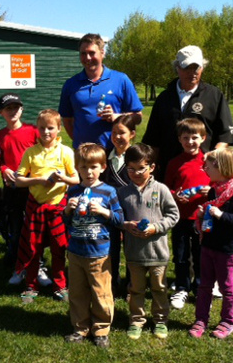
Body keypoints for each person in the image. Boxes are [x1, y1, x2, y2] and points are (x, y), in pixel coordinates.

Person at [188, 147, 233, 340]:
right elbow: (210, 214)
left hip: (226, 248)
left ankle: (228, 321)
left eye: (208, 165)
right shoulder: (214, 188)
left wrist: (222, 215)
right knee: (204, 285)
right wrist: (203, 215)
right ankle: (201, 319)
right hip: (208, 244)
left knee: (226, 287)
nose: (204, 168)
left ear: (221, 167)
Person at [142, 45, 233, 181]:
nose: (192, 72)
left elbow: (225, 135)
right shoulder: (164, 98)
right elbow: (153, 139)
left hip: (204, 172)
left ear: (202, 68)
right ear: (177, 68)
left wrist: (215, 154)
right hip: (168, 171)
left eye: (196, 68)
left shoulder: (214, 95)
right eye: (187, 67)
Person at [14, 109, 79, 304]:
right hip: (35, 208)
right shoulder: (31, 152)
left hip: (58, 208)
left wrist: (62, 179)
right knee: (33, 248)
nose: (46, 132)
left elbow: (76, 179)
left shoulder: (66, 152)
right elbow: (18, 180)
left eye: (50, 128)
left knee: (59, 249)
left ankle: (60, 286)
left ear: (59, 129)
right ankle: (31, 286)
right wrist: (39, 180)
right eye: (42, 128)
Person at [63, 143, 124, 349]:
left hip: (99, 252)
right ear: (77, 169)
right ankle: (80, 327)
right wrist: (68, 211)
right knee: (77, 292)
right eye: (83, 167)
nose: (88, 172)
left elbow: (119, 219)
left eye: (93, 167)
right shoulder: (73, 191)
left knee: (101, 293)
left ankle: (101, 328)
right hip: (76, 251)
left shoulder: (108, 192)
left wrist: (104, 212)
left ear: (103, 167)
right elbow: (67, 223)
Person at [118, 144, 179, 340]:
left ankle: (160, 321)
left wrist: (156, 227)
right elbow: (116, 218)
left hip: (157, 253)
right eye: (130, 169)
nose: (135, 173)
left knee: (159, 288)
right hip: (134, 254)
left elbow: (173, 215)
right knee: (135, 289)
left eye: (141, 168)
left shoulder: (161, 190)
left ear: (152, 167)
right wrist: (126, 225)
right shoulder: (122, 193)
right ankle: (136, 320)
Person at [0, 93, 52, 287]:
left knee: (37, 228)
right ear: (1, 112)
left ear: (21, 110)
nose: (12, 112)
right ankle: (20, 267)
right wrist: (4, 169)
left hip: (34, 187)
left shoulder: (32, 130)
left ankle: (39, 266)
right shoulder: (0, 135)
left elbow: (45, 152)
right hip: (12, 189)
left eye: (15, 108)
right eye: (8, 108)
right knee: (17, 228)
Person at [59, 33, 143, 151]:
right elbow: (67, 121)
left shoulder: (121, 80)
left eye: (92, 53)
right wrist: (81, 144)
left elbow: (138, 117)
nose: (87, 58)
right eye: (83, 53)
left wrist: (116, 116)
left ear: (102, 53)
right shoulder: (71, 84)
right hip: (84, 156)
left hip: (114, 151)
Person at [164, 118, 211, 309]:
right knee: (181, 255)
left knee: (201, 254)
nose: (190, 142)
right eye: (185, 138)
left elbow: (219, 184)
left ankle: (201, 287)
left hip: (202, 218)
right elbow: (166, 189)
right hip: (181, 218)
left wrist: (211, 191)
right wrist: (176, 196)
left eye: (194, 137)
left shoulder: (208, 161)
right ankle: (182, 287)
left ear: (203, 138)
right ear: (179, 139)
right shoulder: (175, 163)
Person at [100, 114, 136, 296]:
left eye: (122, 132)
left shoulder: (137, 157)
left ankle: (132, 284)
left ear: (132, 134)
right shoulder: (105, 156)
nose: (117, 137)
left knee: (131, 249)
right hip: (110, 212)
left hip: (131, 211)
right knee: (111, 248)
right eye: (114, 132)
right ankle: (112, 282)